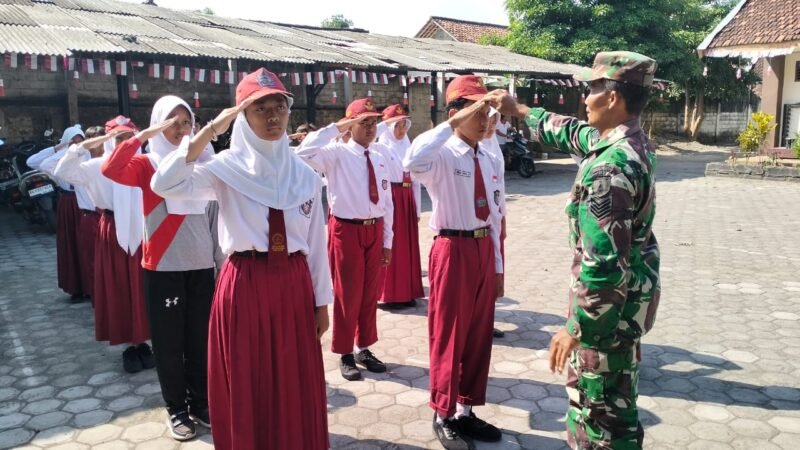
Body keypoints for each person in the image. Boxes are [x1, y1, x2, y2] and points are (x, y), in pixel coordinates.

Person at [151, 68, 331, 450]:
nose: (272, 117)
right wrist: (210, 130)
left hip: (294, 283)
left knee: (292, 377)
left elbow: (316, 242)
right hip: (244, 283)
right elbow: (164, 183)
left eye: (279, 107)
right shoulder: (225, 169)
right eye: (259, 108)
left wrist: (322, 302)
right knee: (249, 377)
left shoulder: (305, 176)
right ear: (243, 117)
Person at [489, 51, 661, 449]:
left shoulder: (609, 169)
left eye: (593, 89)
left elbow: (603, 265)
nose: (585, 98)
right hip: (626, 310)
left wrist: (576, 329)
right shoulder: (631, 143)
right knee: (617, 409)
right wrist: (520, 110)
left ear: (613, 98)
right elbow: (574, 133)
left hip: (604, 322)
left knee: (598, 423)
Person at [101, 96, 218, 441]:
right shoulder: (147, 163)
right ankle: (176, 408)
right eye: (172, 123)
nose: (181, 130)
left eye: (186, 123)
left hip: (202, 266)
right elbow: (111, 169)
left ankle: (200, 402)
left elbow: (216, 218)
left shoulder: (205, 162)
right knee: (168, 345)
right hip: (164, 267)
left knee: (199, 341)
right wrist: (144, 135)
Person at [403, 75, 504, 450]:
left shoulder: (488, 156)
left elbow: (495, 214)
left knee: (478, 335)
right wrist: (450, 126)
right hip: (452, 248)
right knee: (449, 335)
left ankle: (466, 409)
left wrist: (497, 266)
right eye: (476, 111)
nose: (485, 119)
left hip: (482, 247)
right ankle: (442, 413)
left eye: (487, 111)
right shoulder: (442, 155)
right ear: (454, 114)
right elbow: (412, 159)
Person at [296, 98, 394, 381]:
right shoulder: (336, 153)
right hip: (347, 230)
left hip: (374, 229)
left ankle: (364, 347)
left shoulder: (379, 156)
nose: (371, 128)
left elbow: (387, 202)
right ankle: (344, 351)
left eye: (373, 122)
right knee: (347, 293)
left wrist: (387, 240)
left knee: (369, 293)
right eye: (364, 122)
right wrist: (336, 128)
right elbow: (303, 152)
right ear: (350, 125)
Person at [53, 117, 153, 374]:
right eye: (119, 138)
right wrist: (84, 146)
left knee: (143, 287)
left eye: (129, 137)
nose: (125, 143)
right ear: (109, 141)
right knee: (118, 287)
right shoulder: (96, 166)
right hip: (113, 230)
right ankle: (128, 345)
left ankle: (144, 341)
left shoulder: (145, 163)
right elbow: (62, 171)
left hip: (143, 231)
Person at [27, 125, 86, 301]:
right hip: (69, 203)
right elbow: (33, 162)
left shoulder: (87, 155)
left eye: (80, 140)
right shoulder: (59, 159)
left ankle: (90, 286)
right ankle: (76, 287)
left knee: (86, 246)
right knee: (71, 244)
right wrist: (61, 149)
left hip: (86, 203)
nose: (77, 144)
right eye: (73, 140)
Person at [374, 104, 424, 309]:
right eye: (398, 125)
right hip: (391, 197)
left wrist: (417, 208)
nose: (402, 129)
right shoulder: (381, 147)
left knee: (407, 247)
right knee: (391, 244)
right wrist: (385, 123)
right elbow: (373, 135)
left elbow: (416, 180)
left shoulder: (408, 147)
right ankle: (390, 294)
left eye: (405, 125)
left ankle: (407, 291)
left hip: (407, 198)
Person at [482, 110, 508, 339]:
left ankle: (487, 319)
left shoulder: (494, 149)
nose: (490, 126)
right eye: (487, 120)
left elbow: (501, 188)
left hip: (495, 220)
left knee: (493, 273)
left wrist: (504, 218)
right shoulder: (470, 148)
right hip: (478, 222)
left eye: (494, 121)